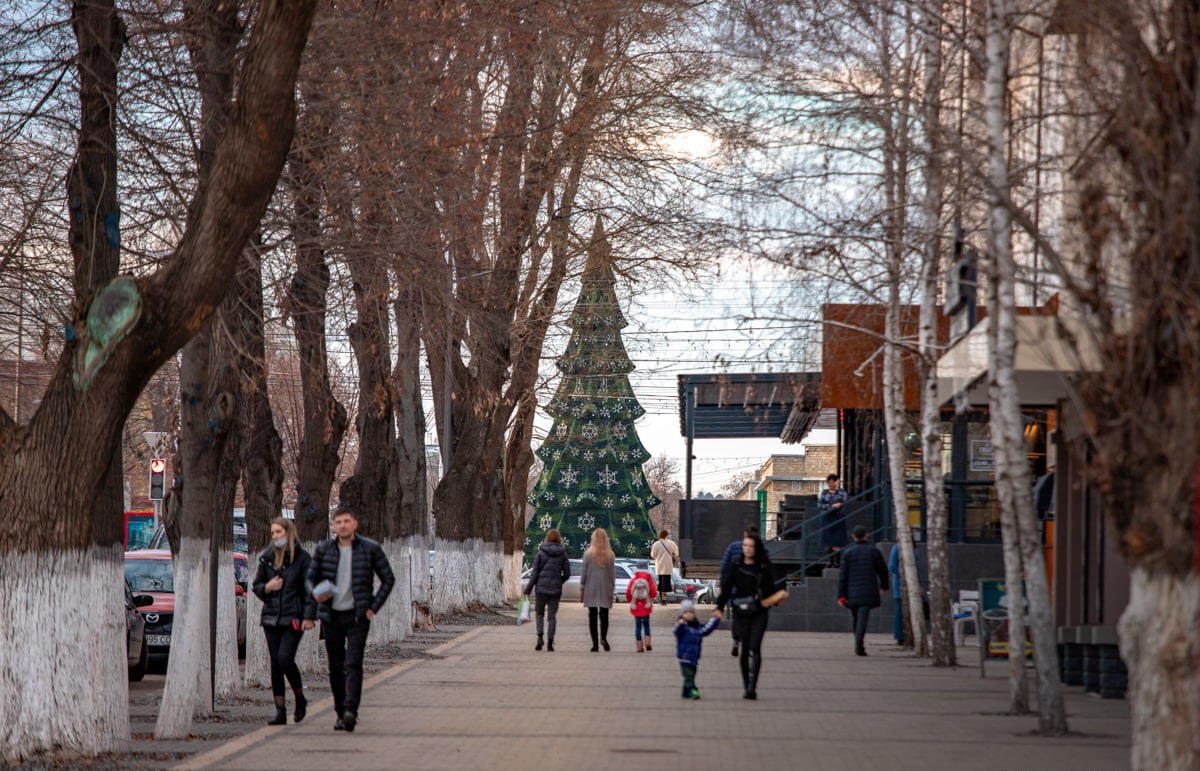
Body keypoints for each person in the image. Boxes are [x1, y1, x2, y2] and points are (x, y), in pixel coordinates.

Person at [306, 504, 395, 732]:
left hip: (358, 617)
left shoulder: (369, 549)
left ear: (355, 523)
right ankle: (339, 712)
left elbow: (388, 579)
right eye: (338, 522)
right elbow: (309, 578)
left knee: (353, 663)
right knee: (336, 667)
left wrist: (373, 607)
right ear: (334, 526)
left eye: (346, 521)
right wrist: (316, 594)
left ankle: (350, 711)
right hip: (331, 617)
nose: (342, 526)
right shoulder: (324, 550)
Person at [252, 517, 316, 725]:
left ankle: (300, 698)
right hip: (271, 618)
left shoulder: (303, 559)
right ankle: (280, 710)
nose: (275, 536)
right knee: (275, 664)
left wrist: (308, 616)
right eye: (273, 533)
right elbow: (257, 586)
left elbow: (309, 590)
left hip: (293, 617)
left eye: (278, 532)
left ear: (288, 533)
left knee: (285, 659)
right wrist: (267, 587)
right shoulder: (267, 558)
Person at [716, 534, 776, 699]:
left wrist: (774, 599)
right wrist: (719, 607)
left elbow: (771, 589)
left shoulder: (763, 567)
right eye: (745, 545)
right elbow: (727, 588)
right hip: (741, 612)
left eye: (751, 546)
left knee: (755, 648)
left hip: (759, 612)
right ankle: (746, 685)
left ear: (756, 548)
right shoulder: (736, 566)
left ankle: (752, 687)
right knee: (745, 650)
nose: (747, 549)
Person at [838, 525, 889, 656]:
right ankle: (859, 644)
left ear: (853, 536)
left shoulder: (848, 553)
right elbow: (883, 571)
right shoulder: (874, 551)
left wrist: (841, 596)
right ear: (866, 535)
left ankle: (858, 642)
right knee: (863, 618)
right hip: (868, 591)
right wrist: (884, 586)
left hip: (852, 592)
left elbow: (843, 577)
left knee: (856, 618)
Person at [524, 528, 571, 652]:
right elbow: (567, 573)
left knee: (539, 614)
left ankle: (540, 637)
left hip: (541, 589)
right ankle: (550, 642)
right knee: (552, 616)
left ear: (547, 538)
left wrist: (528, 589)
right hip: (555, 590)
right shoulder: (563, 554)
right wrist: (559, 581)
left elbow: (534, 574)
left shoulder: (540, 553)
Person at [719, 525, 760, 658]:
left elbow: (724, 568)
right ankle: (750, 646)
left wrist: (725, 587)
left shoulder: (733, 546)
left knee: (737, 616)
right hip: (753, 592)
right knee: (753, 618)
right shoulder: (760, 549)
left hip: (736, 591)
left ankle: (736, 640)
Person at [673, 599, 721, 699]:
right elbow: (676, 631)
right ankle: (694, 691)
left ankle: (685, 693)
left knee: (691, 675)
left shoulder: (697, 627)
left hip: (694, 657)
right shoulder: (682, 627)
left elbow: (706, 629)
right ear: (682, 615)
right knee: (688, 676)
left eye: (691, 612)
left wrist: (715, 620)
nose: (688, 614)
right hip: (684, 657)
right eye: (686, 612)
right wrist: (680, 624)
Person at [579, 527, 616, 652]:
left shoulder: (588, 554)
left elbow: (584, 573)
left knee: (592, 615)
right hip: (605, 587)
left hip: (591, 588)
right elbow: (612, 574)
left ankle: (594, 644)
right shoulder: (610, 555)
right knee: (605, 615)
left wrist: (582, 588)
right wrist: (613, 586)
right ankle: (603, 638)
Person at [888, 542, 920, 646]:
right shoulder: (897, 547)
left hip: (913, 583)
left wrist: (919, 583)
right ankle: (900, 636)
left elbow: (917, 567)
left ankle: (911, 634)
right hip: (901, 584)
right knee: (900, 609)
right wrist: (907, 574)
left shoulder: (914, 547)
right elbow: (892, 566)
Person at [818, 473, 849, 568]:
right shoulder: (824, 493)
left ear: (836, 482)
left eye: (833, 482)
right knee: (827, 542)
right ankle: (830, 561)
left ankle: (837, 562)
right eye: (829, 482)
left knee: (837, 541)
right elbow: (819, 505)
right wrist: (831, 506)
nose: (831, 484)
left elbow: (844, 501)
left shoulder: (841, 492)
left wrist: (838, 505)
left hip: (838, 518)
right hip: (827, 519)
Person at [626, 567, 657, 651]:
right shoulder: (649, 580)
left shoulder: (633, 580)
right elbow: (654, 593)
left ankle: (639, 647)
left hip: (636, 607)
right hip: (646, 607)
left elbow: (628, 593)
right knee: (646, 625)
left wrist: (630, 601)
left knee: (638, 627)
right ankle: (647, 642)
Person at [649, 529, 679, 605]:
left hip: (659, 566)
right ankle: (663, 599)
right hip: (668, 566)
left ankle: (661, 599)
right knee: (665, 584)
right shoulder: (671, 543)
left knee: (660, 583)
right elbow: (676, 553)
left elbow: (652, 555)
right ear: (667, 535)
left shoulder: (656, 544)